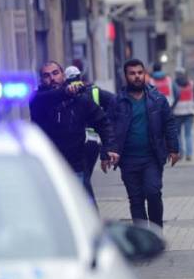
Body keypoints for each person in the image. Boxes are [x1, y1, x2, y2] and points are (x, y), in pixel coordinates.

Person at [106, 59, 180, 228]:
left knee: (153, 193)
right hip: (127, 159)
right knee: (136, 199)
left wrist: (174, 148)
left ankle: (156, 233)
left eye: (140, 73)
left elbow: (169, 122)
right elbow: (108, 128)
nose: (137, 77)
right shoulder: (117, 102)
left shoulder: (157, 99)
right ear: (125, 76)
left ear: (145, 74)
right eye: (132, 73)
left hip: (152, 158)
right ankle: (143, 238)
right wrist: (107, 152)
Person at [30, 61, 119, 191]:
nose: (52, 78)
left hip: (76, 165)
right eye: (47, 75)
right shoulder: (38, 99)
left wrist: (109, 148)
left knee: (84, 205)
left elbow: (102, 122)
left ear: (63, 76)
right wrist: (65, 91)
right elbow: (48, 98)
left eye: (55, 73)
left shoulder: (80, 99)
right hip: (49, 167)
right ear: (41, 80)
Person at [64, 65, 116, 204]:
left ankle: (89, 212)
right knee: (83, 177)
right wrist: (107, 116)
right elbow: (115, 101)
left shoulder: (65, 93)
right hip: (93, 141)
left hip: (79, 141)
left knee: (83, 179)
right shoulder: (94, 91)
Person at [172, 68, 194, 161]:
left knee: (178, 134)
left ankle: (181, 153)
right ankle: (189, 154)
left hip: (177, 112)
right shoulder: (191, 83)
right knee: (188, 134)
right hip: (190, 111)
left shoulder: (174, 84)